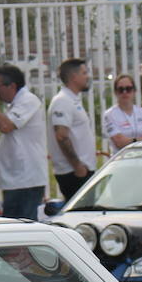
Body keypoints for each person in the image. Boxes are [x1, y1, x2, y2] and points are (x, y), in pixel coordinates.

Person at [0, 64, 47, 219]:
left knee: (23, 230)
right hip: (16, 179)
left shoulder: (28, 100)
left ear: (12, 86)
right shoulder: (15, 105)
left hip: (26, 180)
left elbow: (6, 125)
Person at [47, 58, 96, 200]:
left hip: (81, 171)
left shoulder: (72, 100)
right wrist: (78, 166)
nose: (88, 77)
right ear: (74, 77)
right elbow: (61, 136)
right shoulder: (63, 101)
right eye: (84, 73)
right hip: (74, 173)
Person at [102, 73, 142, 154]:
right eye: (121, 89)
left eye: (128, 89)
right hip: (121, 160)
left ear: (134, 91)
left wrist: (129, 140)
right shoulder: (109, 114)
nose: (125, 92)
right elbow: (120, 143)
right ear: (115, 92)